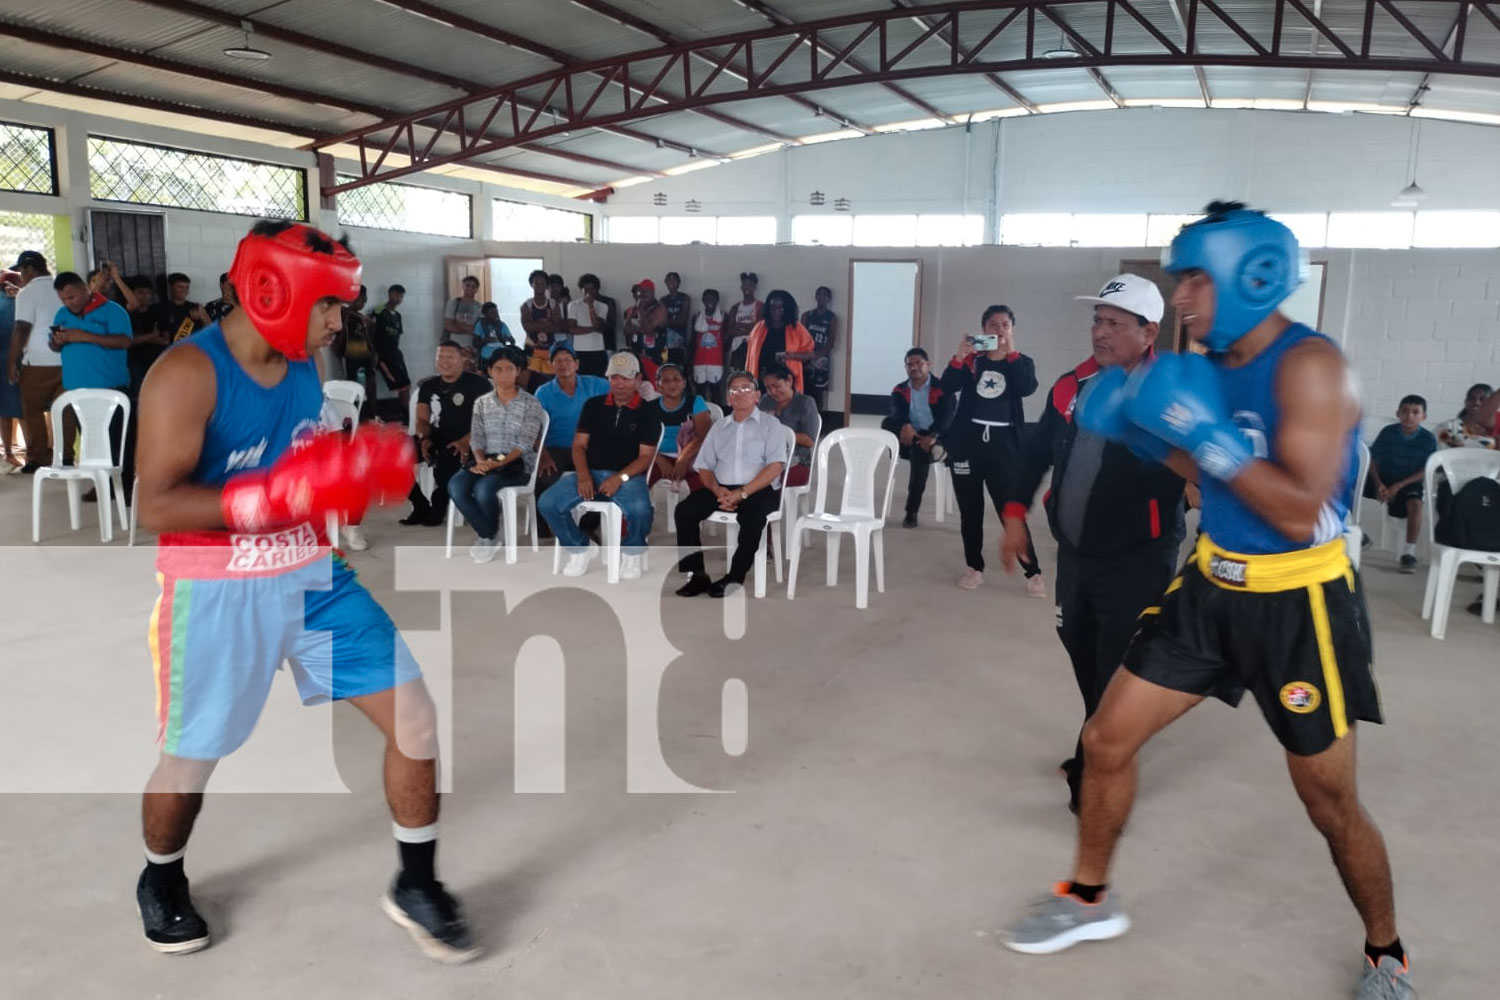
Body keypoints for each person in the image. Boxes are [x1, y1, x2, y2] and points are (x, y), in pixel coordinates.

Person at [1002, 203, 1412, 1000]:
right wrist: (1156, 440)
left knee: (1327, 798)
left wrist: (1202, 431)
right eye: (1180, 279)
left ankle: (1386, 951)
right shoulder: (1210, 368)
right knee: (1106, 737)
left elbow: (1299, 511)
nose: (1181, 298)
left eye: (1194, 278)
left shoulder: (1313, 367)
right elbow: (1207, 481)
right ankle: (1089, 897)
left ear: (1251, 275)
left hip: (1301, 605)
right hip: (1209, 585)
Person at [131, 219, 477, 963]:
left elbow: (299, 471)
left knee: (414, 717)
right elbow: (153, 505)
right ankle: (160, 879)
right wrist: (265, 499)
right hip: (218, 588)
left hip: (312, 576)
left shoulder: (300, 368)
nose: (335, 324)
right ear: (269, 289)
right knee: (190, 758)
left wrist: (344, 472)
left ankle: (416, 883)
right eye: (327, 307)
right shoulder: (186, 374)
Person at [1001, 274, 1186, 813]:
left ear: (1148, 332)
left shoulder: (1169, 395)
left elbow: (1197, 471)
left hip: (1139, 555)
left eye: (1114, 323)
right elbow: (1036, 451)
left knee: (1116, 665)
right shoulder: (1072, 384)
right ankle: (1099, 736)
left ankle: (1099, 771)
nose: (1100, 332)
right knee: (1079, 645)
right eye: (1097, 321)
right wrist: (1015, 515)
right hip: (1077, 554)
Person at [940, 305, 1044, 596]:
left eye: (1005, 325)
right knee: (970, 511)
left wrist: (1011, 353)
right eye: (993, 325)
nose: (999, 330)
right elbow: (946, 386)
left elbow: (1025, 387)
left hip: (1005, 447)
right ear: (983, 329)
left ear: (1012, 330)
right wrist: (959, 357)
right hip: (968, 444)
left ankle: (1033, 572)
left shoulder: (1021, 362)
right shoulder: (972, 362)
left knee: (1010, 511)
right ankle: (974, 567)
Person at [537, 352, 660, 580]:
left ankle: (632, 553)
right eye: (614, 377)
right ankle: (580, 547)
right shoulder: (593, 405)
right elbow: (579, 446)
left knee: (641, 510)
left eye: (625, 377)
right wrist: (583, 476)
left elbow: (645, 458)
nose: (619, 383)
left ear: (638, 379)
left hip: (628, 477)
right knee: (548, 502)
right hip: (591, 472)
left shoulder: (648, 412)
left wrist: (619, 478)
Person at [674, 370, 789, 598]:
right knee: (684, 511)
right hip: (721, 488)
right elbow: (704, 465)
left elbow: (775, 466)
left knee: (752, 519)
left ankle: (734, 577)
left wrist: (742, 493)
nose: (739, 394)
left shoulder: (771, 425)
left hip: (757, 490)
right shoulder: (719, 427)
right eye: (734, 390)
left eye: (746, 389)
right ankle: (697, 575)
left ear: (757, 395)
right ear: (728, 398)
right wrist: (718, 490)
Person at [447, 346, 544, 563]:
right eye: (498, 369)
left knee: (483, 489)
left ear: (518, 371)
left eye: (510, 369)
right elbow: (477, 438)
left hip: (517, 464)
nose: (503, 374)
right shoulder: (482, 402)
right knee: (456, 486)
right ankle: (489, 534)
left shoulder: (531, 403)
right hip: (486, 460)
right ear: (490, 371)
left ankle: (487, 537)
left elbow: (525, 443)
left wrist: (495, 464)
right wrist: (482, 462)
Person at [50, 271, 132, 485]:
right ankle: (100, 484)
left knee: (116, 441)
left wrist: (84, 336)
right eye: (63, 299)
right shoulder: (61, 314)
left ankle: (123, 486)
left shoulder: (113, 311)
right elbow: (53, 346)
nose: (68, 303)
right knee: (89, 440)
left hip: (111, 388)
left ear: (85, 289)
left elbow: (124, 341)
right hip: (77, 391)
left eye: (72, 297)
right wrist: (57, 341)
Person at [402, 341, 492, 527]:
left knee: (447, 462)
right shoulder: (429, 386)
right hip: (437, 436)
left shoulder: (478, 384)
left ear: (462, 359)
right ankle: (420, 505)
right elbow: (422, 419)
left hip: (471, 440)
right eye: (440, 357)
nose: (444, 362)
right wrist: (424, 438)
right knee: (393, 457)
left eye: (450, 357)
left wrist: (466, 441)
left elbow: (488, 421)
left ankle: (438, 504)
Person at [881, 347, 954, 528]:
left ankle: (911, 512)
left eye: (919, 363)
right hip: (911, 437)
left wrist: (933, 435)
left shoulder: (942, 388)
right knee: (887, 422)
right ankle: (935, 450)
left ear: (927, 364)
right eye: (909, 364)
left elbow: (947, 417)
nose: (914, 368)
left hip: (934, 435)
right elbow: (897, 412)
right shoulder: (899, 389)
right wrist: (905, 424)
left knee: (919, 453)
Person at [1365, 394, 1439, 573]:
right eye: (1405, 411)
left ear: (1424, 417)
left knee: (1416, 504)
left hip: (1408, 480)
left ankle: (1408, 552)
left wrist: (1397, 487)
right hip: (1382, 477)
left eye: (1415, 412)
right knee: (1348, 485)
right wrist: (1378, 484)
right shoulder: (1388, 432)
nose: (1409, 416)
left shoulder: (1428, 439)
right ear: (1398, 413)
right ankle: (1354, 533)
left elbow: (1424, 470)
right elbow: (1373, 459)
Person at [5, 250, 64, 473]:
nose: (20, 276)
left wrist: (12, 362)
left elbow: (21, 328)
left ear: (30, 268)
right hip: (67, 358)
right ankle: (65, 456)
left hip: (38, 360)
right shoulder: (62, 288)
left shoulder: (28, 292)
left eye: (21, 270)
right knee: (63, 409)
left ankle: (38, 458)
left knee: (32, 409)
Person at [533, 344, 609, 513]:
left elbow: (621, 392)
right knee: (545, 479)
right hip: (557, 449)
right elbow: (533, 428)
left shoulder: (596, 384)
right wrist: (543, 455)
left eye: (568, 360)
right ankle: (545, 527)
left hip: (589, 448)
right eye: (558, 361)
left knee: (602, 481)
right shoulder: (543, 392)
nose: (563, 364)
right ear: (551, 365)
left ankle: (588, 526)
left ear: (577, 364)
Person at [649, 362, 712, 490]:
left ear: (683, 383)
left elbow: (704, 435)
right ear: (658, 386)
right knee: (639, 484)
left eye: (676, 379)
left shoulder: (695, 402)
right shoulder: (650, 407)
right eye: (665, 381)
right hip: (657, 457)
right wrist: (660, 460)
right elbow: (643, 441)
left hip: (692, 455)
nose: (672, 384)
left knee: (703, 487)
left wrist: (683, 459)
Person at [757, 363, 817, 488]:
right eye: (768, 388)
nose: (773, 392)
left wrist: (779, 433)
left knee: (758, 480)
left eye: (776, 386)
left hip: (796, 461)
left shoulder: (805, 403)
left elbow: (810, 441)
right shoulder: (765, 401)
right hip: (765, 457)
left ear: (789, 380)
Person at [745, 290, 817, 393]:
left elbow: (811, 354)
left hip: (786, 382)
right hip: (761, 381)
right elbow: (750, 356)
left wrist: (791, 356)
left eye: (780, 308)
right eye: (773, 307)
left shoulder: (796, 328)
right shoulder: (759, 328)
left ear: (787, 309)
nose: (776, 311)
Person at [334, 286, 377, 419]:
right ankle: (350, 417)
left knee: (371, 384)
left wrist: (373, 351)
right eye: (361, 299)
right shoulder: (344, 312)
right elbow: (344, 309)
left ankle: (373, 415)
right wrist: (362, 317)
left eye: (365, 299)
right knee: (351, 385)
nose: (364, 302)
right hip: (350, 355)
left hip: (365, 354)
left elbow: (366, 337)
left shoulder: (361, 318)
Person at [372, 283, 411, 409]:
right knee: (404, 385)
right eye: (396, 295)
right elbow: (371, 333)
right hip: (384, 356)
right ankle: (406, 415)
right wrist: (375, 355)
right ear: (389, 294)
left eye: (401, 296)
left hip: (396, 354)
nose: (398, 299)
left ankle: (406, 415)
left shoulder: (398, 316)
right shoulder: (379, 311)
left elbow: (397, 336)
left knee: (406, 384)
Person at [566, 273, 612, 376]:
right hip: (579, 351)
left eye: (592, 289)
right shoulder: (573, 305)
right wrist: (593, 328)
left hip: (598, 351)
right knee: (580, 382)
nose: (589, 292)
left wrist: (590, 306)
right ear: (581, 289)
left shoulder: (603, 306)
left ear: (597, 290)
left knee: (598, 382)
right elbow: (573, 329)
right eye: (586, 289)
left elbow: (599, 326)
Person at [801, 285, 838, 411]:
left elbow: (831, 341)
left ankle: (819, 417)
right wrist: (808, 355)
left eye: (825, 295)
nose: (822, 297)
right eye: (819, 294)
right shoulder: (807, 315)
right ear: (816, 297)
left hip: (822, 358)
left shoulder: (831, 317)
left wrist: (818, 356)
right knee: (804, 387)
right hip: (806, 356)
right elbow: (801, 338)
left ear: (828, 299)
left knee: (820, 390)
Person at [0, 269, 23, 471]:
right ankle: (35, 452)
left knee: (5, 411)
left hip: (4, 361)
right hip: (18, 360)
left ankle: (8, 452)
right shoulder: (17, 304)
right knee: (24, 409)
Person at [521, 268, 559, 385]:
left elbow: (557, 327)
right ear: (531, 285)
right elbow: (527, 327)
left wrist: (536, 325)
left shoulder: (553, 304)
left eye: (542, 283)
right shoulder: (526, 305)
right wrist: (547, 324)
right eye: (536, 283)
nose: (539, 286)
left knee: (550, 380)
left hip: (550, 348)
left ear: (547, 285)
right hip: (532, 347)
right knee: (531, 380)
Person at [688, 287, 726, 404]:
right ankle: (702, 416)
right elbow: (693, 340)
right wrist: (690, 361)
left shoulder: (724, 316)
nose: (710, 301)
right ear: (703, 300)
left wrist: (723, 358)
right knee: (700, 392)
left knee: (716, 392)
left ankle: (720, 417)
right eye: (707, 299)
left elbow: (726, 339)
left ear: (717, 300)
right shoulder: (697, 316)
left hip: (716, 362)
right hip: (699, 361)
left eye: (713, 299)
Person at [622, 279, 667, 377]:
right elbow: (625, 330)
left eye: (643, 291)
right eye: (639, 291)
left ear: (651, 292)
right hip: (636, 355)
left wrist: (640, 310)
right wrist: (639, 329)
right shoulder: (634, 308)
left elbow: (647, 330)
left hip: (655, 357)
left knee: (653, 387)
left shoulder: (659, 308)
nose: (640, 294)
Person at [1436, 382, 1495, 449]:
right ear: (1466, 401)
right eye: (1471, 398)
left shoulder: (1497, 430)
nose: (1476, 402)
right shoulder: (1448, 427)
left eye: (1482, 399)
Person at [154, 273, 209, 344]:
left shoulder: (197, 307)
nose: (185, 290)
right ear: (170, 287)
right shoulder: (159, 308)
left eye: (187, 287)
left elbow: (212, 331)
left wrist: (203, 318)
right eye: (180, 287)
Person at [727, 272, 762, 371]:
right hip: (736, 347)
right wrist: (749, 328)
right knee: (736, 375)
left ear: (754, 287)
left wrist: (739, 326)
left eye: (750, 285)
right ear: (741, 287)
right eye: (744, 285)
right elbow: (730, 330)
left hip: (753, 346)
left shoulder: (760, 306)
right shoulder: (735, 307)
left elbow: (759, 329)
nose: (747, 288)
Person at [442, 274, 483, 360]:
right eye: (467, 285)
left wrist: (457, 323)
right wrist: (468, 328)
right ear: (463, 286)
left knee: (469, 370)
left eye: (473, 287)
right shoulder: (453, 303)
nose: (470, 289)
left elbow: (477, 330)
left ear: (476, 289)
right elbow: (448, 326)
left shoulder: (479, 307)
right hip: (454, 345)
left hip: (471, 347)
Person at [660, 271, 692, 367]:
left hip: (680, 342)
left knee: (680, 368)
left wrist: (667, 321)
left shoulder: (685, 298)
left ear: (679, 282)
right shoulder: (663, 299)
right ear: (665, 282)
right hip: (665, 344)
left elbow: (682, 322)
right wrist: (672, 321)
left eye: (674, 279)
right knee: (665, 367)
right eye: (669, 279)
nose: (671, 282)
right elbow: (661, 322)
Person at [473, 301, 516, 366]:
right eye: (492, 313)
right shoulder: (480, 325)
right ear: (485, 314)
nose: (495, 315)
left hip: (501, 356)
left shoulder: (502, 325)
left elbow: (513, 341)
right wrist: (485, 340)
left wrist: (507, 339)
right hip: (487, 357)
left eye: (496, 313)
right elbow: (475, 343)